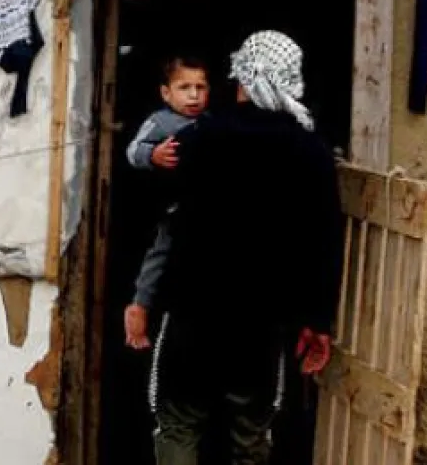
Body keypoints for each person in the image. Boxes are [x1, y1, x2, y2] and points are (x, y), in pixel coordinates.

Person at [134, 31, 344, 465]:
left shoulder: (200, 138)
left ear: (243, 78)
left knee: (178, 423)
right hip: (262, 323)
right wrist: (317, 321)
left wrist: (142, 299)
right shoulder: (312, 152)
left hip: (192, 315)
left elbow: (165, 220)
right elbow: (322, 243)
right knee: (251, 433)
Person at [123, 55, 210, 351]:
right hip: (171, 209)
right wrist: (153, 155)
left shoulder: (211, 123)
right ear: (166, 93)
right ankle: (138, 307)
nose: (194, 95)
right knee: (158, 255)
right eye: (184, 87)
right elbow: (133, 150)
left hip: (199, 210)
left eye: (201, 87)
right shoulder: (160, 122)